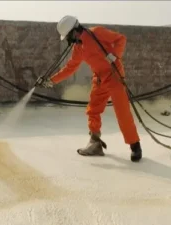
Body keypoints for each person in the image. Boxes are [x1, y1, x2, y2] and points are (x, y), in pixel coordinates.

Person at [39, 15, 142, 162]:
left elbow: (121, 39)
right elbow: (70, 68)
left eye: (68, 36)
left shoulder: (97, 32)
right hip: (99, 78)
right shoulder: (78, 48)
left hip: (114, 75)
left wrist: (115, 55)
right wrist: (51, 81)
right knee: (93, 110)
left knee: (122, 112)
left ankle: (135, 146)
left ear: (74, 31)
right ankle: (95, 143)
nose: (68, 40)